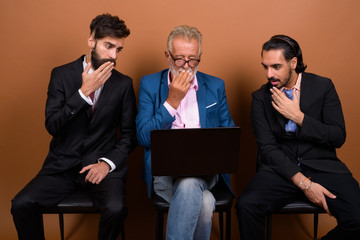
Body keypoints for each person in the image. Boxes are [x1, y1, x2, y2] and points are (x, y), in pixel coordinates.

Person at [11, 13, 137, 240]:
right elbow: (52, 124)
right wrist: (83, 93)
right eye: (108, 46)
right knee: (21, 204)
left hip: (102, 169)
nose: (113, 56)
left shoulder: (123, 84)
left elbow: (130, 135)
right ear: (91, 41)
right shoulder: (60, 75)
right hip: (62, 169)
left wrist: (107, 164)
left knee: (116, 209)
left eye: (118, 50)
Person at [236, 34, 360, 239]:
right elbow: (267, 148)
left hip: (323, 165)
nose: (269, 74)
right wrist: (305, 183)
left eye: (276, 66)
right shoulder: (260, 98)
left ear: (293, 62)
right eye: (265, 67)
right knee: (246, 206)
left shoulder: (323, 87)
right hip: (280, 170)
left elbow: (338, 136)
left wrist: (300, 118)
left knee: (357, 218)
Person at [136, 25, 234, 239]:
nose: (186, 67)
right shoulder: (150, 84)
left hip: (206, 173)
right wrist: (172, 101)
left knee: (191, 182)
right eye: (179, 59)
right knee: (206, 203)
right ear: (167, 55)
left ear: (200, 56)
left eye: (193, 59)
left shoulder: (215, 85)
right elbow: (143, 137)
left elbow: (229, 136)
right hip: (165, 175)